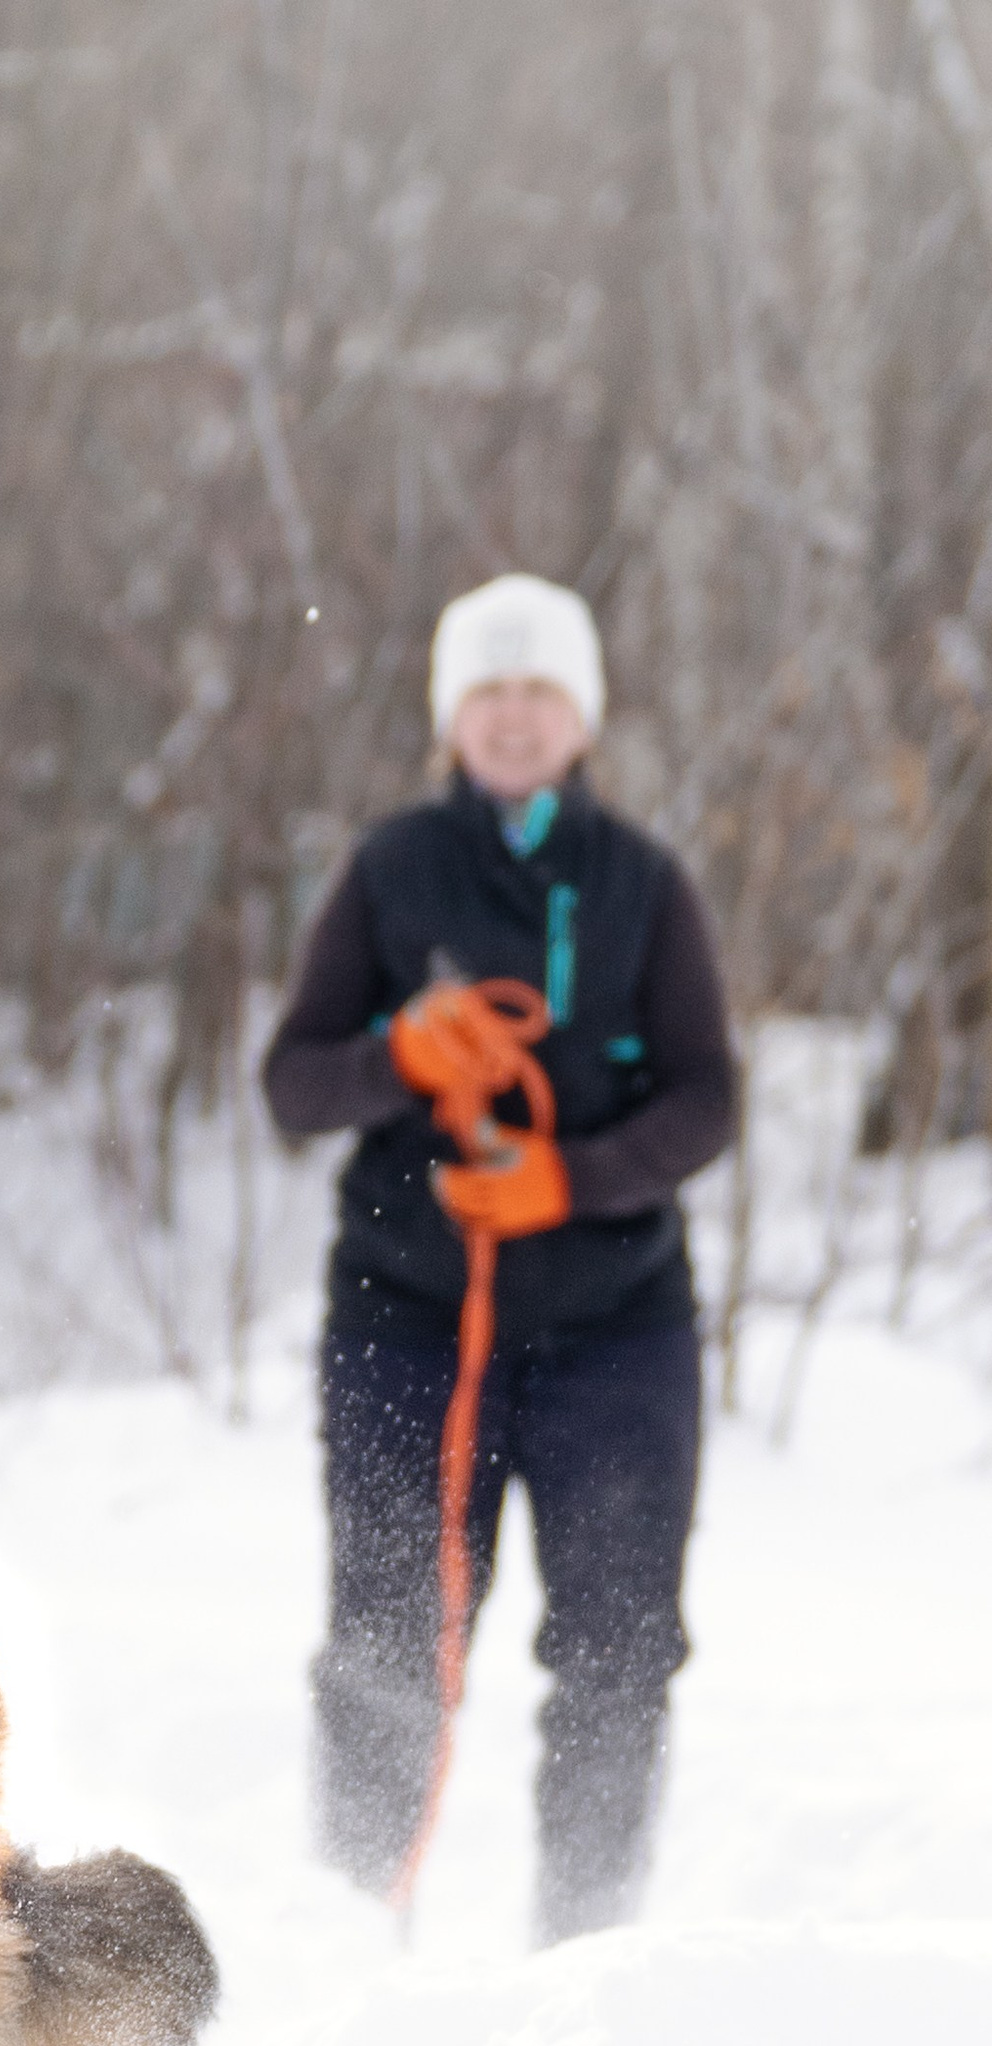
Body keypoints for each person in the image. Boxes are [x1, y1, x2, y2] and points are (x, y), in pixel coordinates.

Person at [263, 573, 737, 1941]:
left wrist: (570, 1180)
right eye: (490, 692)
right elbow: (293, 1085)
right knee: (385, 1641)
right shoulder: (391, 867)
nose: (515, 717)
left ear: (581, 716)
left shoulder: (646, 884)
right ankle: (350, 1933)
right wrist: (397, 1054)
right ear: (451, 714)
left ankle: (588, 1945)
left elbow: (710, 1098)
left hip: (618, 1329)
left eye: (540, 693)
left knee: (618, 1652)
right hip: (406, 1318)